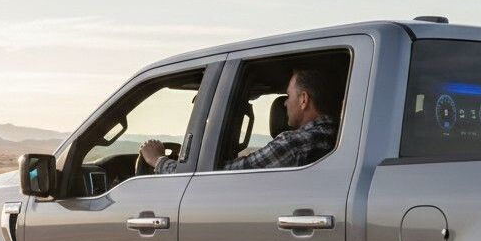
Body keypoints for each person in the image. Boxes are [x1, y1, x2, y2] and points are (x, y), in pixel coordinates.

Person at [140, 69, 339, 173]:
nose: (285, 104)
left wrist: (157, 160)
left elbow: (215, 175)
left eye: (288, 96)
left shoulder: (293, 144)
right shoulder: (337, 135)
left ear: (303, 100)